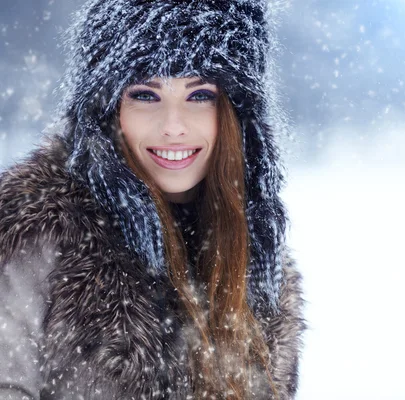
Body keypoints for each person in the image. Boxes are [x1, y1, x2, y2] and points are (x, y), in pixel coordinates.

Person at [0, 0, 306, 399]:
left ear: (236, 113)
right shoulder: (38, 230)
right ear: (107, 109)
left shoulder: (258, 257)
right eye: (145, 94)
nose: (173, 127)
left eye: (199, 95)